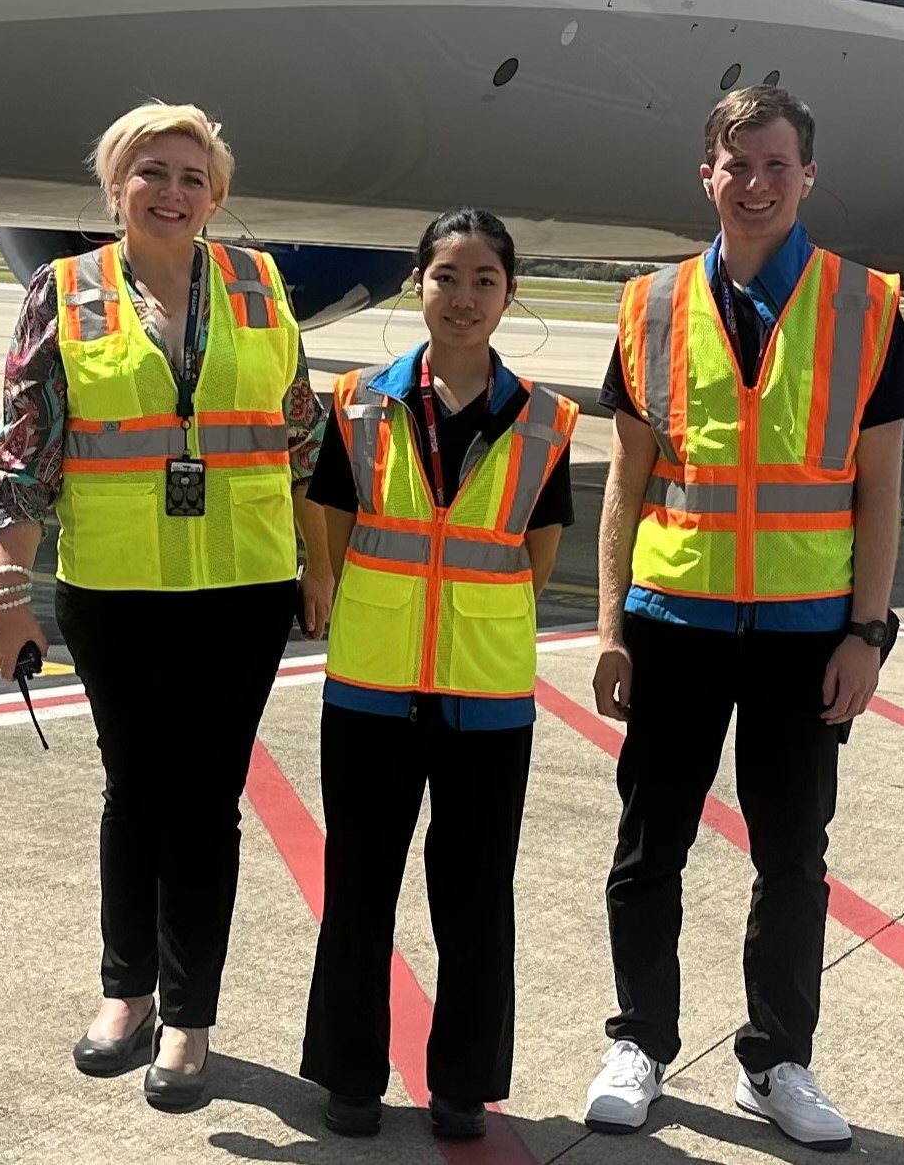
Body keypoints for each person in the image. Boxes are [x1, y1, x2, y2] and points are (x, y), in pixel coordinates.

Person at [577, 86, 904, 1150]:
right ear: (707, 175)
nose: (756, 183)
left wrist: (867, 634)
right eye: (736, 164)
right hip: (673, 620)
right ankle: (639, 1038)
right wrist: (606, 626)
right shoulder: (648, 305)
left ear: (806, 175)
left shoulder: (866, 304)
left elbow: (880, 489)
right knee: (650, 846)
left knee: (791, 857)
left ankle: (775, 1060)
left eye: (776, 164)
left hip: (803, 635)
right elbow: (625, 484)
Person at [0, 103, 332, 1114]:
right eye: (150, 171)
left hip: (242, 586)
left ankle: (190, 1014)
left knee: (206, 803)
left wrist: (317, 566)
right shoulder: (64, 291)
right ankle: (124, 990)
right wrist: (6, 591)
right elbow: (25, 454)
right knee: (134, 792)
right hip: (116, 586)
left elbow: (302, 437)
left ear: (215, 193)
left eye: (190, 174)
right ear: (114, 185)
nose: (170, 191)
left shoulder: (262, 287)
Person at [298, 210, 579, 1144]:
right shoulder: (358, 403)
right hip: (371, 685)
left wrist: (469, 619)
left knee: (474, 893)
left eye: (484, 280)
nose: (463, 297)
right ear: (417, 283)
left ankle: (462, 1083)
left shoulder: (546, 419)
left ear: (508, 294)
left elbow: (537, 551)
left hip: (487, 693)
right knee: (360, 885)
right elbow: (331, 530)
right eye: (446, 276)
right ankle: (348, 1073)